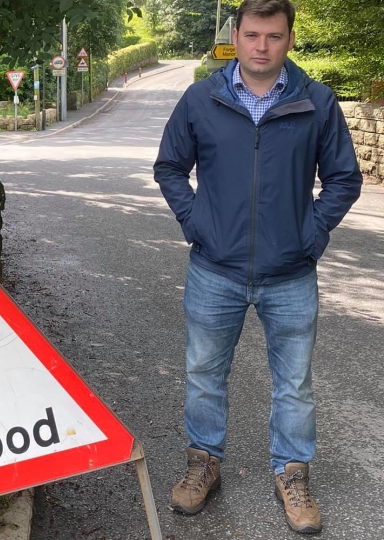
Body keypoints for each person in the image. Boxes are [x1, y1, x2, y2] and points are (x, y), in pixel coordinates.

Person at [153, 0, 362, 534]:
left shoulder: (316, 101)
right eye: (252, 35)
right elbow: (170, 166)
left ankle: (292, 472)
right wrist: (195, 221)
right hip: (214, 269)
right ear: (236, 36)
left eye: (273, 36)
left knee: (294, 383)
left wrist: (309, 236)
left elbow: (343, 178)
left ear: (290, 38)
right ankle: (204, 462)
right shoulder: (202, 98)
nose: (261, 46)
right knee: (204, 375)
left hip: (290, 274)